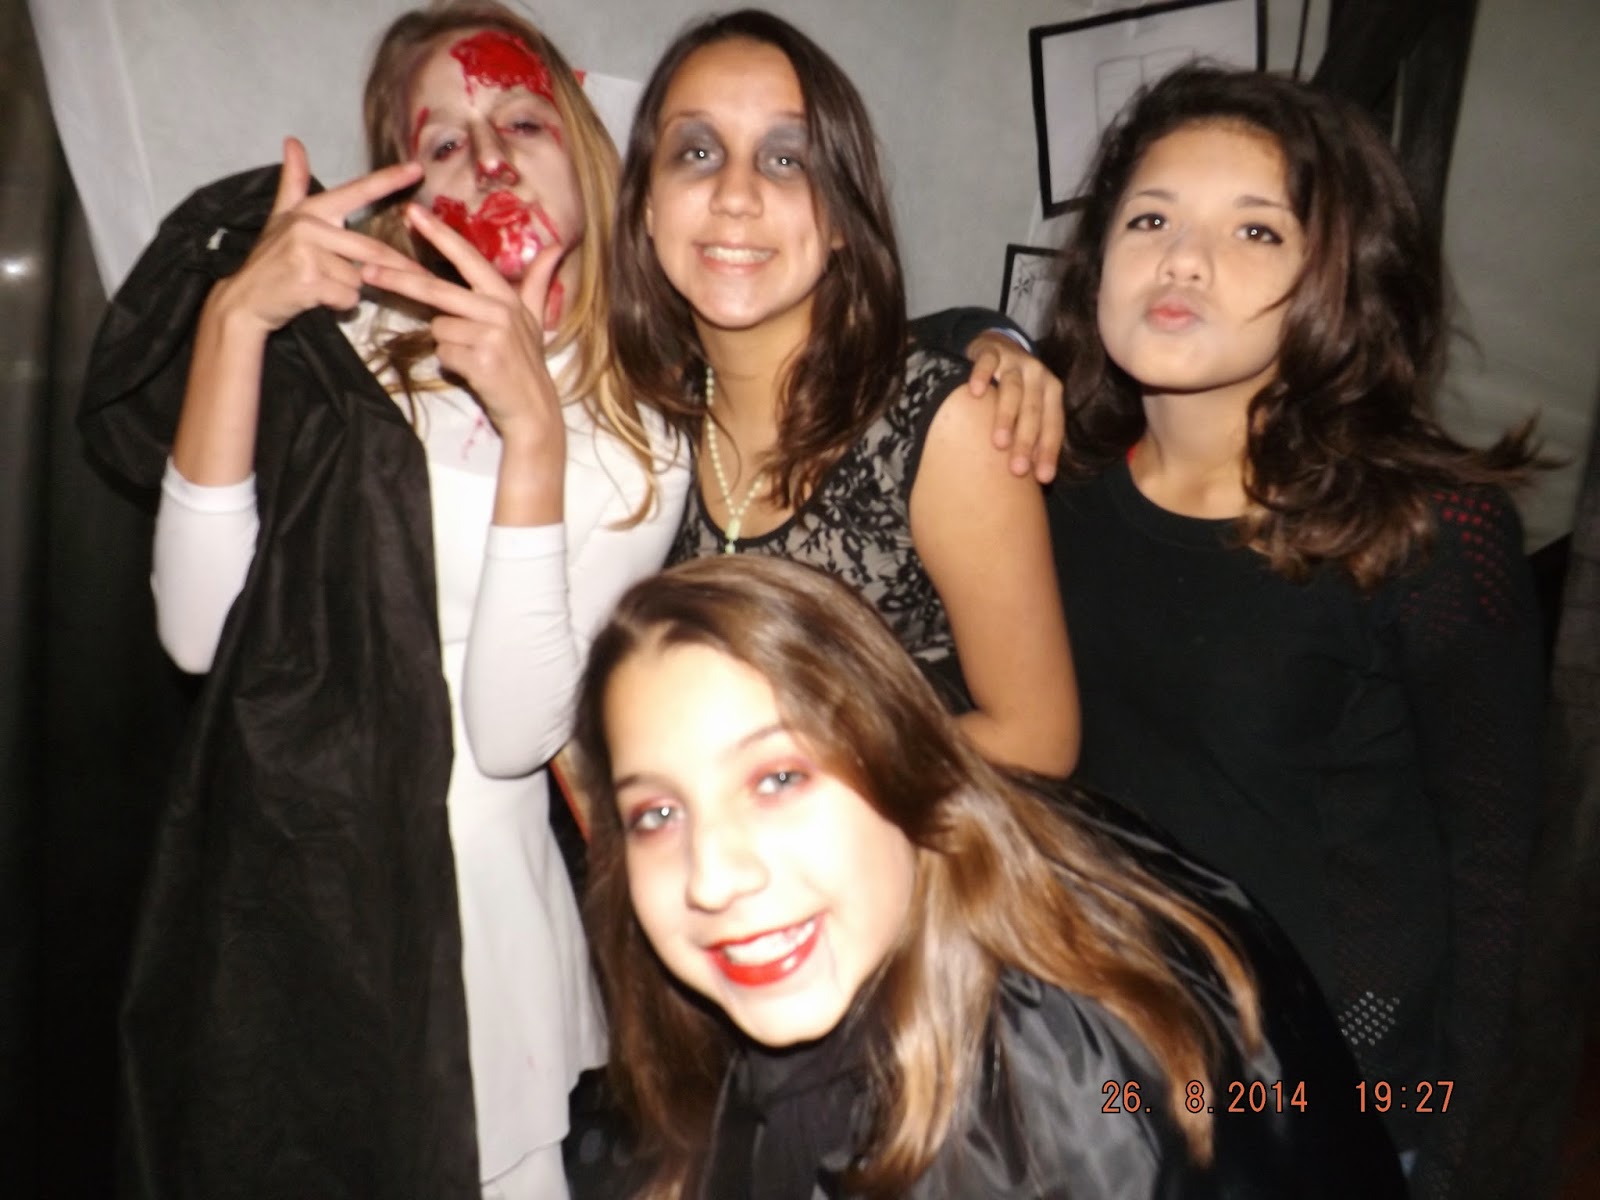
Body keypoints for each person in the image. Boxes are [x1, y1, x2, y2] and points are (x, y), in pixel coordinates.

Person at [77, 3, 1063, 1195]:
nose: (488, 158)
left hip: (485, 930)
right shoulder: (343, 351)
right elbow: (197, 635)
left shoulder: (632, 413)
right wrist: (237, 317)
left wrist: (533, 437)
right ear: (404, 187)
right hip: (281, 883)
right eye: (444, 141)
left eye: (523, 121)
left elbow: (513, 734)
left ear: (592, 164)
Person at [1040, 65, 1546, 1195]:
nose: (1183, 259)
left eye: (1255, 230)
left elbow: (1495, 877)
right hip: (1106, 1064)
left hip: (1334, 1088)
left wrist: (1447, 1157)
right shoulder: (1046, 489)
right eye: (1151, 219)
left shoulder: (1428, 532)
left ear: (1338, 281)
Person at [565, 554, 1406, 1198]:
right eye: (658, 814)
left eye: (779, 778)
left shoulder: (1049, 1126)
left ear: (903, 759)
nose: (711, 878)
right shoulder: (960, 871)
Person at [609, 9, 1078, 776]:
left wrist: (783, 776)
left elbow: (1038, 740)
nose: (735, 194)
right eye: (697, 152)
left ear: (839, 220)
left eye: (785, 160)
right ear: (647, 206)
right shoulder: (636, 417)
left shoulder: (947, 425)